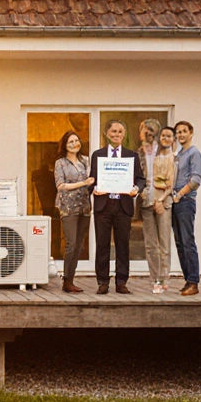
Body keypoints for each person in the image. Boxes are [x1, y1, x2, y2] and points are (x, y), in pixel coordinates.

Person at [89, 120, 146, 295]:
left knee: (123, 245)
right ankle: (103, 282)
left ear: (124, 134)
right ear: (107, 133)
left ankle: (121, 282)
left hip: (123, 205)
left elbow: (140, 179)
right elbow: (92, 180)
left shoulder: (132, 156)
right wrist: (94, 189)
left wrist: (136, 189)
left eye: (120, 131)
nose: (116, 134)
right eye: (113, 131)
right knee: (102, 244)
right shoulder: (98, 155)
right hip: (103, 205)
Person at [53, 131, 92, 293]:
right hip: (68, 207)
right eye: (71, 141)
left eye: (76, 140)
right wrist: (82, 183)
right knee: (71, 243)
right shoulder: (60, 163)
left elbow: (94, 179)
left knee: (79, 245)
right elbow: (60, 186)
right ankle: (66, 280)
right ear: (65, 144)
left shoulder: (86, 161)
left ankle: (71, 279)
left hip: (84, 206)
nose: (74, 143)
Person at [142, 126, 176, 293]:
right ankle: (154, 278)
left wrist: (161, 200)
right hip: (146, 202)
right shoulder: (146, 154)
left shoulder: (172, 158)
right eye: (163, 135)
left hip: (163, 203)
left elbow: (171, 183)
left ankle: (164, 278)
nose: (165, 138)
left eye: (168, 136)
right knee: (150, 245)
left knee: (164, 243)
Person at [171, 120, 201, 296]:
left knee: (188, 241)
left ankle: (193, 282)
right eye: (178, 132)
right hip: (175, 202)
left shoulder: (194, 153)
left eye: (184, 131)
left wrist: (180, 194)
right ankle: (187, 280)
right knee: (179, 243)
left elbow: (195, 181)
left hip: (185, 201)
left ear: (191, 133)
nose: (180, 134)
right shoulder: (178, 155)